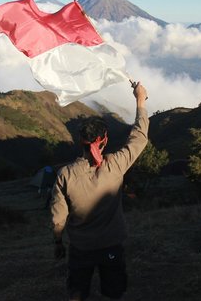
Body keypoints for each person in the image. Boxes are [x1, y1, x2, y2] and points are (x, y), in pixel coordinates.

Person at [51, 81, 149, 301]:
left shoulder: (65, 175)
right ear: (104, 140)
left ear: (81, 142)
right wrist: (140, 99)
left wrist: (58, 243)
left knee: (77, 291)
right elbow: (139, 137)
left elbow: (59, 218)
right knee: (114, 292)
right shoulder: (115, 165)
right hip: (111, 244)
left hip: (80, 248)